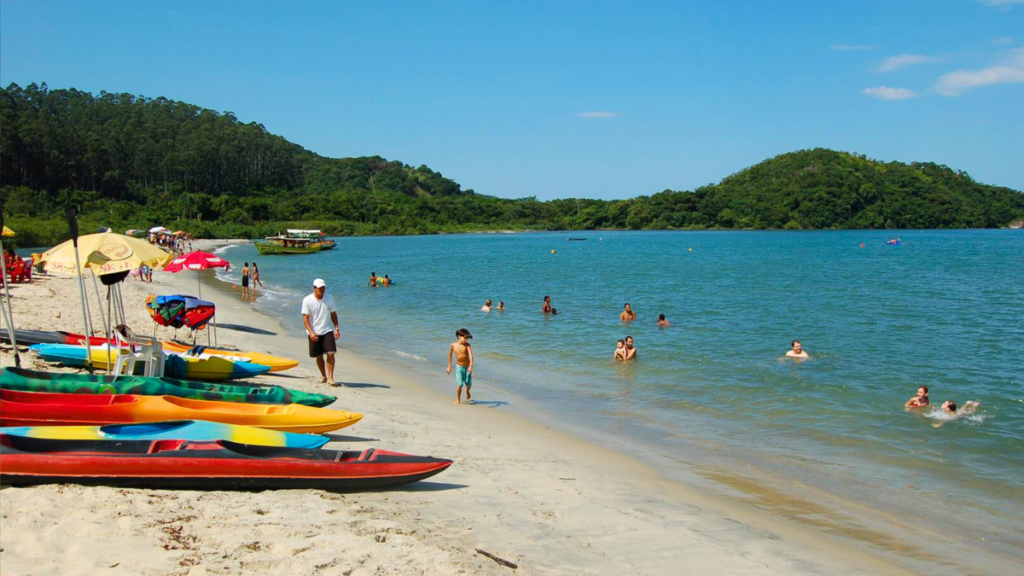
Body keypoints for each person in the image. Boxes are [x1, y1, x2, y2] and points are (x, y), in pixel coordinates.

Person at [301, 278, 340, 386]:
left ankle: (330, 378)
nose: (322, 290)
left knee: (331, 353)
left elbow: (333, 314)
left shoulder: (329, 298)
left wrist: (336, 328)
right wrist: (311, 332)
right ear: (314, 288)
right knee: (319, 356)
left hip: (327, 330)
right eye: (320, 288)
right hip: (314, 332)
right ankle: (323, 375)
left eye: (323, 287)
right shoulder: (307, 300)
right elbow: (305, 318)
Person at [446, 328, 474, 405]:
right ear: (459, 336)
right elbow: (450, 355)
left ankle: (467, 391)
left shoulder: (468, 345)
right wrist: (449, 367)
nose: (466, 340)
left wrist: (471, 366)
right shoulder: (453, 345)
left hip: (467, 367)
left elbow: (471, 356)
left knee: (468, 384)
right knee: (460, 384)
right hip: (459, 367)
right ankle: (458, 399)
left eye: (467, 338)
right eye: (465, 338)